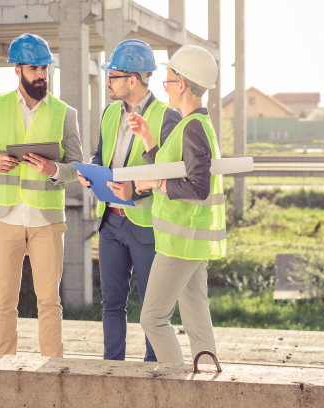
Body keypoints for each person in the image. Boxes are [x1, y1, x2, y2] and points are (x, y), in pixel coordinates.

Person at [0, 33, 83, 357]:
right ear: (18, 70)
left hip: (46, 222)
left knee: (49, 302)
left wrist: (54, 171)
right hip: (3, 218)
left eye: (45, 69)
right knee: (4, 302)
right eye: (35, 69)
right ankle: (3, 373)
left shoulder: (66, 113)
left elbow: (77, 167)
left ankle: (53, 373)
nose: (41, 75)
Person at [77, 39, 181, 361]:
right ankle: (113, 370)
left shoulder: (167, 118)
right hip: (110, 222)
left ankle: (152, 374)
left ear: (132, 80)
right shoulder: (110, 113)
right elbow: (100, 155)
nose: (107, 82)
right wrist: (91, 172)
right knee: (112, 305)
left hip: (146, 225)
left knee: (153, 309)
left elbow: (170, 172)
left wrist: (135, 190)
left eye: (113, 77)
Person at [127, 45, 226, 363]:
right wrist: (148, 139)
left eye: (167, 80)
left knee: (152, 319)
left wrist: (154, 183)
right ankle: (207, 379)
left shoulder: (192, 127)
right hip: (190, 240)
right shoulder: (193, 124)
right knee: (197, 316)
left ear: (182, 85)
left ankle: (176, 387)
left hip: (180, 242)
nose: (164, 87)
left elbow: (198, 186)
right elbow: (174, 168)